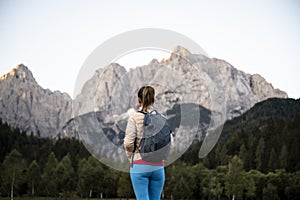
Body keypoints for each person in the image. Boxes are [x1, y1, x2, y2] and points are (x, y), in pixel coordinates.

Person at [124, 86, 165, 200]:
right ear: (153, 100)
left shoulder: (134, 117)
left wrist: (131, 158)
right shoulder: (161, 118)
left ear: (139, 100)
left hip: (139, 164)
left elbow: (128, 143)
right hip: (158, 167)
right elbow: (169, 142)